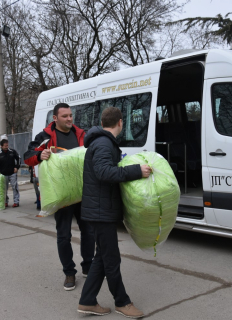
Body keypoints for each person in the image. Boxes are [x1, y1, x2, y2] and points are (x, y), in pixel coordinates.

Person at [77, 107, 151, 318]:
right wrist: (137, 170)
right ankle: (122, 302)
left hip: (101, 209)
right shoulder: (103, 143)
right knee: (112, 260)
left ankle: (87, 301)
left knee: (102, 257)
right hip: (101, 211)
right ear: (120, 122)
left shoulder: (102, 142)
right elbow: (103, 172)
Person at [24, 102, 94, 291]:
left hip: (82, 192)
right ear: (55, 118)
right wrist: (41, 155)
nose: (70, 119)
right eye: (65, 116)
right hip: (61, 195)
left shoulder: (81, 134)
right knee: (64, 236)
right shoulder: (45, 136)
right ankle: (69, 273)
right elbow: (28, 156)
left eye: (71, 115)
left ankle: (88, 267)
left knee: (88, 232)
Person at [0, 139, 21, 207]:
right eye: (5, 146)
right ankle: (5, 201)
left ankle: (16, 202)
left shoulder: (12, 152)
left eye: (7, 145)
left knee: (15, 187)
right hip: (3, 175)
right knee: (4, 189)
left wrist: (17, 167)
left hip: (12, 173)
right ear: (1, 146)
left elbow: (19, 158)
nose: (6, 147)